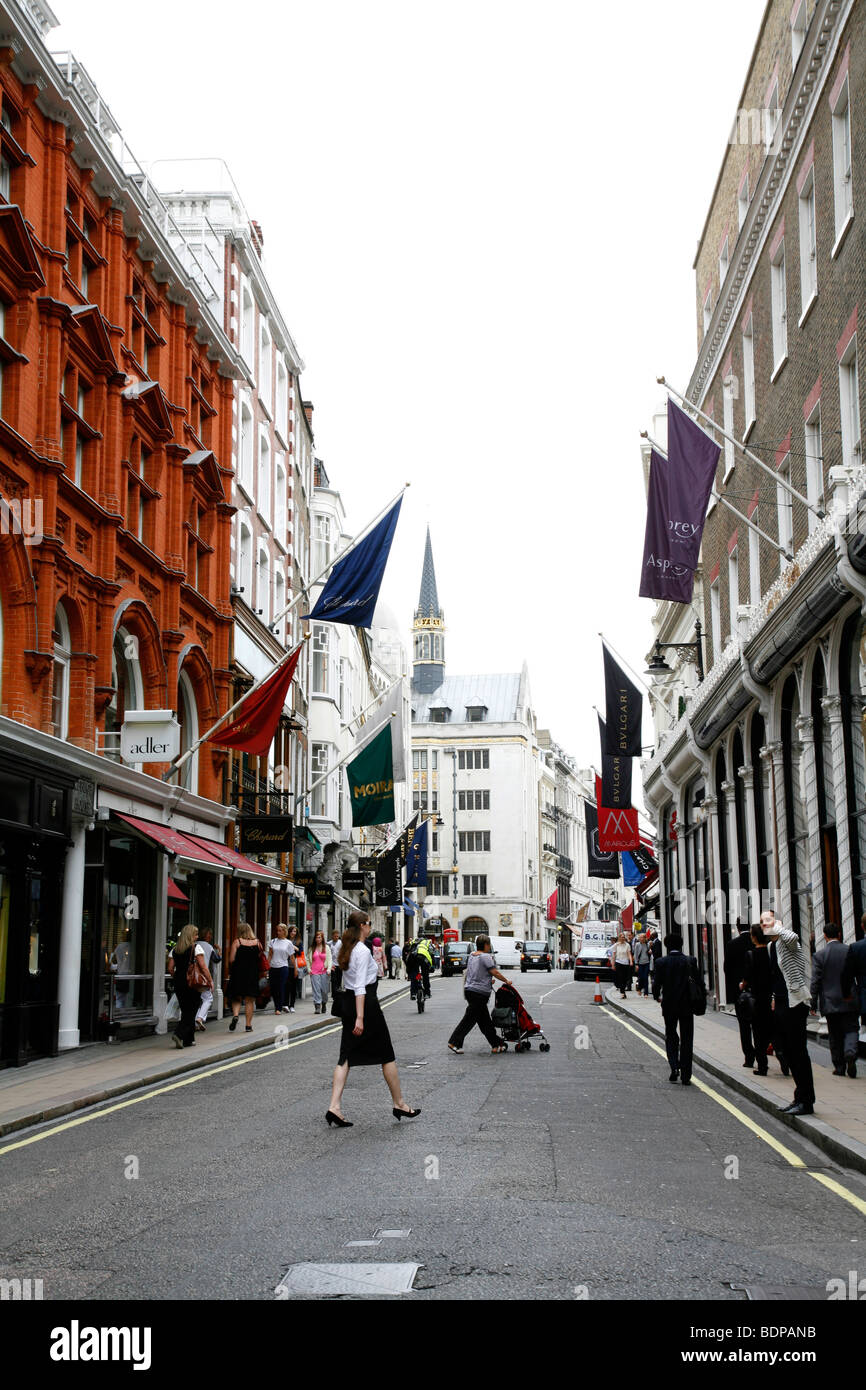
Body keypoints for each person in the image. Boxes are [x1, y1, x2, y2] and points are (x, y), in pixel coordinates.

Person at [326, 911, 420, 1128]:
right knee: (387, 1054)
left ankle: (334, 1107)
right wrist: (361, 1018)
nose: (370, 928)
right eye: (368, 924)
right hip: (365, 1004)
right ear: (361, 926)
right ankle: (399, 1103)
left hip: (348, 1003)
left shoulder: (344, 947)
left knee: (345, 1056)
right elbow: (360, 985)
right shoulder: (361, 950)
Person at [761, 910, 815, 1116]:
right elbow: (776, 977)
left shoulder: (789, 943)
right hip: (782, 1003)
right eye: (762, 921)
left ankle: (807, 1101)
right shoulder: (770, 946)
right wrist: (774, 998)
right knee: (788, 1052)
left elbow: (793, 937)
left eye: (769, 920)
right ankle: (799, 1097)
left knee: (798, 1052)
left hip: (796, 1002)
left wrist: (779, 927)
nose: (765, 924)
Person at [447, 935, 511, 1054]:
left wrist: (488, 980)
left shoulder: (472, 955)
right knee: (469, 1020)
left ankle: (496, 1044)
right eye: (489, 945)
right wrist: (506, 980)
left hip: (470, 990)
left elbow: (475, 972)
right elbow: (494, 972)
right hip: (479, 993)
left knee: (484, 1021)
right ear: (486, 945)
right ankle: (454, 1042)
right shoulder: (486, 957)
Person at [652, 933, 701, 1086]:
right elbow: (699, 983)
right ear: (681, 944)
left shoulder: (661, 962)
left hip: (669, 1005)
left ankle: (674, 1067)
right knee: (687, 1038)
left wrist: (656, 996)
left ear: (666, 946)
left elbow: (656, 984)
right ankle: (686, 1075)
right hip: (687, 1005)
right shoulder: (690, 961)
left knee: (671, 1035)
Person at [811, 922, 858, 1078]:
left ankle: (839, 1067)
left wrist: (813, 1002)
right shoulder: (849, 950)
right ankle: (850, 1052)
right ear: (839, 934)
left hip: (830, 1001)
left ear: (824, 936)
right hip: (849, 999)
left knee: (835, 1035)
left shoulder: (819, 956)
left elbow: (815, 981)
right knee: (851, 1029)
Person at [168, 923, 212, 1049]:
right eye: (195, 934)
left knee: (185, 1009)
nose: (197, 937)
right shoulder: (196, 948)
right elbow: (203, 967)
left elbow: (170, 968)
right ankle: (178, 1034)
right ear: (190, 935)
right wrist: (210, 981)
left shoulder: (175, 950)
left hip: (178, 982)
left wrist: (177, 977)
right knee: (191, 1011)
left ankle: (189, 1039)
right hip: (192, 982)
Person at [724, 921, 758, 1069]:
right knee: (758, 1025)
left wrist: (734, 988)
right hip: (757, 990)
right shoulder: (756, 942)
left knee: (744, 1026)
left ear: (737, 928)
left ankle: (749, 1058)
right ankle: (761, 1056)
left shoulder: (732, 944)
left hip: (740, 992)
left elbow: (727, 969)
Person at [741, 926, 773, 1075]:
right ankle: (783, 1058)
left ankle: (762, 1066)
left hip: (756, 998)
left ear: (753, 937)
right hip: (770, 997)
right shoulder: (771, 953)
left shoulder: (751, 955)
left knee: (758, 1032)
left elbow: (746, 978)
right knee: (772, 1030)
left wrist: (743, 984)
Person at [227, 923, 261, 1033]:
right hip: (252, 975)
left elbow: (231, 959)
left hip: (238, 974)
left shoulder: (237, 942)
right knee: (249, 1000)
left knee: (236, 997)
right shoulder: (257, 943)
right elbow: (260, 958)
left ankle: (236, 1015)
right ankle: (248, 1025)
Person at [195, 927, 220, 1031]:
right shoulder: (209, 946)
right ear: (205, 936)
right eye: (209, 935)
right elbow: (217, 959)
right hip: (203, 976)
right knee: (208, 998)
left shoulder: (194, 944)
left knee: (196, 1000)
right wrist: (219, 950)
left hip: (192, 977)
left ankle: (196, 1022)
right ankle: (200, 1018)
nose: (210, 937)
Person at [267, 923, 291, 1015]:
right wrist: (267, 966)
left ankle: (278, 1008)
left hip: (283, 967)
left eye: (280, 930)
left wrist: (296, 969)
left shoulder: (288, 943)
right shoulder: (272, 941)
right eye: (277, 930)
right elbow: (270, 954)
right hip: (273, 967)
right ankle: (277, 1005)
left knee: (281, 987)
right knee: (273, 988)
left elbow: (292, 957)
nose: (278, 932)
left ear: (284, 931)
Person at [309, 929, 332, 1014]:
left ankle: (324, 1003)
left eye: (319, 937)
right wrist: (309, 969)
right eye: (317, 937)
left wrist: (329, 969)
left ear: (322, 938)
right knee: (316, 989)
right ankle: (317, 1005)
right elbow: (308, 959)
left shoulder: (327, 948)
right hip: (314, 972)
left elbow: (329, 959)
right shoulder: (312, 948)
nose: (318, 939)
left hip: (324, 972)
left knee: (324, 990)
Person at [612, 932, 634, 999]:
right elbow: (614, 955)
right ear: (619, 938)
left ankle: (623, 991)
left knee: (625, 979)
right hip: (618, 962)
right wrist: (613, 964)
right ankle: (622, 992)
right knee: (620, 978)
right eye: (621, 937)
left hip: (626, 963)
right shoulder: (616, 945)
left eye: (624, 937)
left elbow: (629, 954)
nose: (623, 938)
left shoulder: (627, 945)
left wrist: (631, 961)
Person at [285, 925, 300, 1012]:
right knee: (286, 986)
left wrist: (297, 968)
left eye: (294, 931)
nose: (292, 933)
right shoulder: (285, 941)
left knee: (293, 987)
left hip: (294, 966)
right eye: (291, 931)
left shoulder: (298, 942)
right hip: (285, 965)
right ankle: (286, 1004)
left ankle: (292, 1005)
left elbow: (300, 952)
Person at [633, 933, 651, 998]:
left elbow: (649, 952)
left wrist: (650, 951)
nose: (641, 939)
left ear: (645, 938)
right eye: (640, 937)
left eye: (643, 937)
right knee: (641, 978)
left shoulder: (647, 944)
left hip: (647, 963)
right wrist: (636, 964)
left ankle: (646, 993)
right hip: (640, 963)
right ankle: (639, 989)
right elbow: (635, 955)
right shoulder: (637, 945)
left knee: (646, 978)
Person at [329, 928, 343, 994]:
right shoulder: (329, 943)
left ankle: (338, 992)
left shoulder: (341, 943)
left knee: (338, 978)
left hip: (339, 964)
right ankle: (334, 993)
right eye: (335, 936)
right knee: (333, 979)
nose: (336, 937)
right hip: (332, 964)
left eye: (337, 936)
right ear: (332, 936)